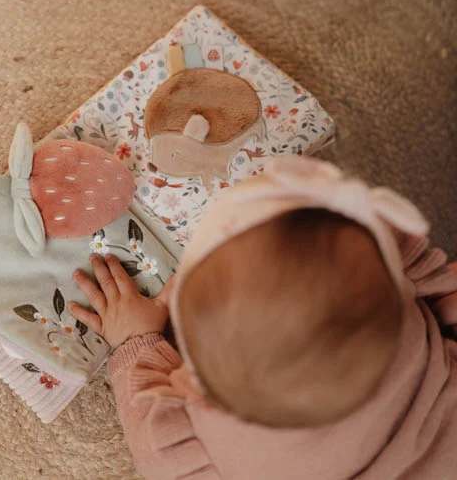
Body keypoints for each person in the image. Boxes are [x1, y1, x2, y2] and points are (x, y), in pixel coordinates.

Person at [69, 157, 457, 480]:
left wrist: (136, 340)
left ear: (198, 380)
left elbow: (154, 453)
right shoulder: (390, 301)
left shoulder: (215, 446)